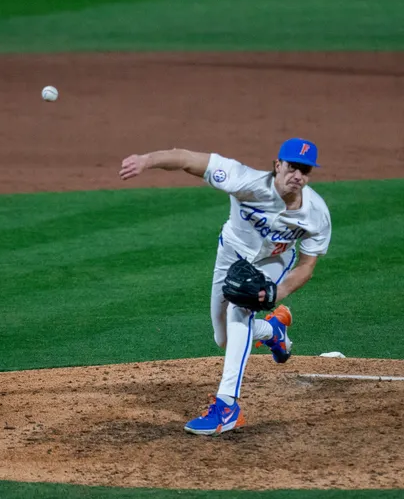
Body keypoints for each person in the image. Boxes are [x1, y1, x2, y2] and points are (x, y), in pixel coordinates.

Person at [119, 138, 331, 435]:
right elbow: (185, 158)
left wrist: (276, 293)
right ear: (278, 165)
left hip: (273, 262)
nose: (298, 175)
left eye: (305, 171)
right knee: (223, 338)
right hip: (230, 256)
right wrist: (145, 159)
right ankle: (274, 332)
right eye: (293, 167)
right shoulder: (244, 180)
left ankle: (227, 407)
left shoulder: (317, 213)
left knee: (239, 313)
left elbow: (307, 265)